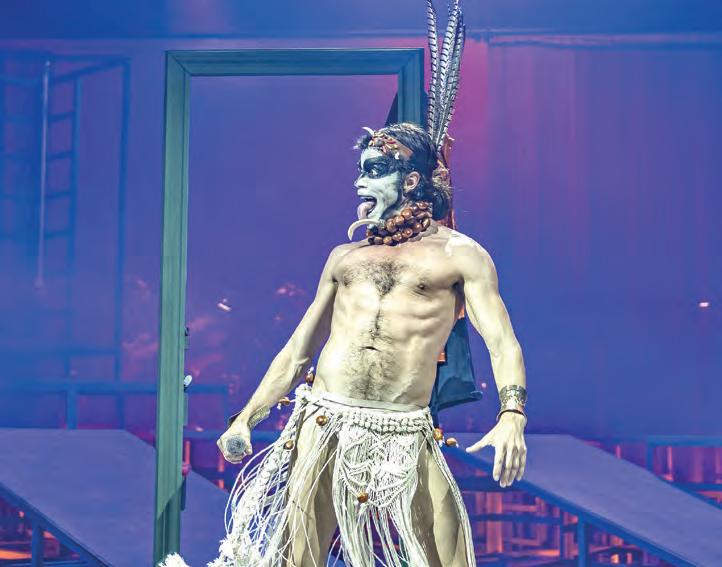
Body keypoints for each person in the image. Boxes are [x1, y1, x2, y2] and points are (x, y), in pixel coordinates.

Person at [160, 3, 527, 566]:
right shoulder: (346, 257)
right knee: (298, 553)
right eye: (360, 169)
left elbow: (501, 341)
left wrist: (512, 415)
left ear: (411, 180)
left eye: (373, 170)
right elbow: (298, 349)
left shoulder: (460, 256)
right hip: (326, 418)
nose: (359, 181)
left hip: (404, 427)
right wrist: (247, 417)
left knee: (447, 555)